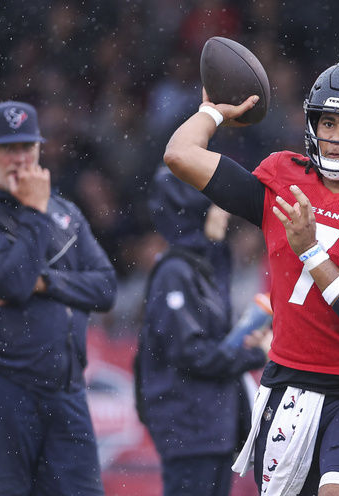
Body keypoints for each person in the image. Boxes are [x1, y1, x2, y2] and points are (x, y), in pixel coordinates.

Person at [162, 59, 339, 496]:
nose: (335, 137)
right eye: (328, 122)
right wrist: (213, 112)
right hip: (288, 385)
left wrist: (312, 252)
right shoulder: (284, 177)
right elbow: (181, 156)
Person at [0, 101, 117, 496]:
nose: (19, 158)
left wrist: (46, 283)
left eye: (27, 147)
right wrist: (35, 212)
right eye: (7, 148)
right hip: (0, 388)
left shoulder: (66, 212)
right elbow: (13, 283)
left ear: (39, 149)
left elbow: (106, 288)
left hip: (64, 391)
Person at [133, 168, 270, 496]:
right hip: (189, 427)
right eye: (216, 205)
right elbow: (190, 352)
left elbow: (205, 347)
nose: (225, 215)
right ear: (193, 209)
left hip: (211, 426)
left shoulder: (203, 267)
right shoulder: (176, 273)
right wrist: (255, 353)